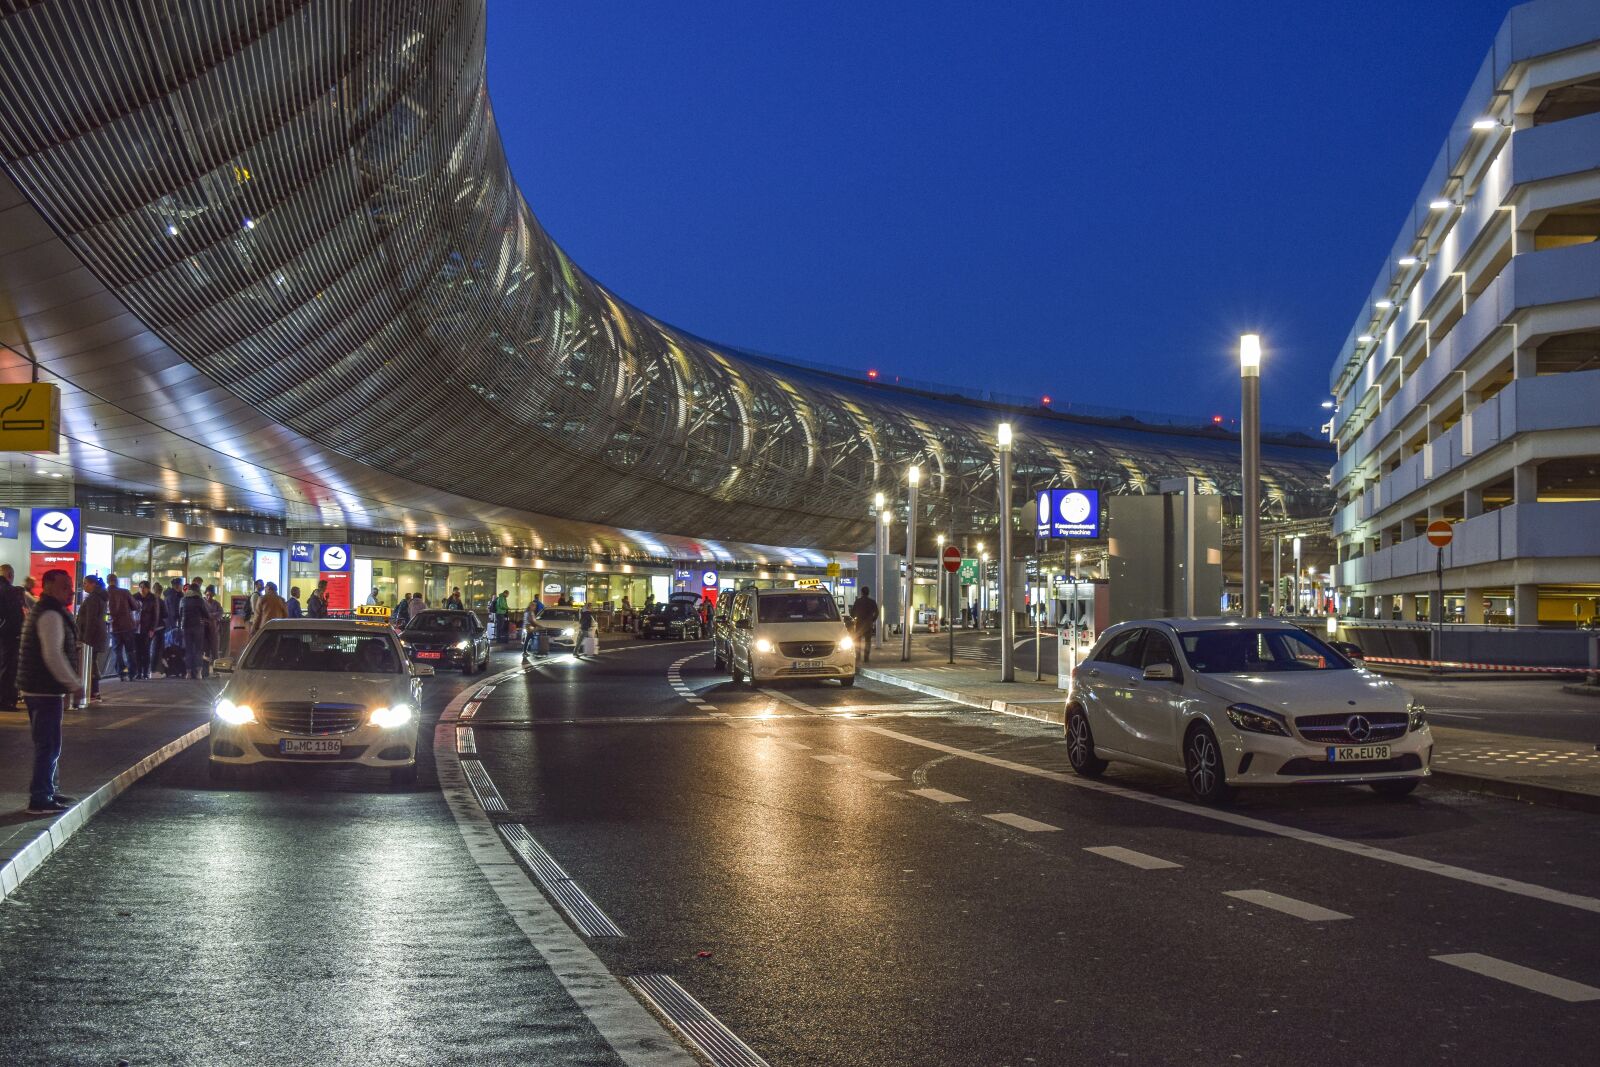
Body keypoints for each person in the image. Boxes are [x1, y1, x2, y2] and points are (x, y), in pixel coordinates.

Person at [20, 568, 85, 815]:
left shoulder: (44, 610)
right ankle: (40, 797)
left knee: (47, 743)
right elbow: (53, 654)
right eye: (64, 587)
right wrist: (74, 684)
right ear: (47, 587)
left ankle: (48, 789)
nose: (69, 591)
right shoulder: (50, 615)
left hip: (36, 687)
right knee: (48, 745)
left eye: (70, 586)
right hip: (43, 689)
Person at [77, 575, 108, 703]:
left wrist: (86, 640)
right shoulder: (100, 597)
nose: (83, 586)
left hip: (91, 637)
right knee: (92, 663)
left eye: (85, 583)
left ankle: (93, 692)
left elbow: (90, 620)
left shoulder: (93, 599)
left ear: (93, 584)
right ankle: (94, 691)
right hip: (97, 635)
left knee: (90, 664)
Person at [0, 564, 25, 710]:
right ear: (10, 575)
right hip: (9, 636)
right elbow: (15, 616)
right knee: (8, 668)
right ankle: (6, 701)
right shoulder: (10, 591)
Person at [105, 573, 136, 682]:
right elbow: (135, 606)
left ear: (107, 581)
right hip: (128, 625)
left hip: (114, 627)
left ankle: (122, 672)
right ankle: (132, 673)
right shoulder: (124, 592)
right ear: (116, 581)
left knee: (117, 651)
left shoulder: (105, 594)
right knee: (130, 650)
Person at [179, 581, 209, 679]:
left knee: (188, 650)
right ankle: (198, 673)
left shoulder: (183, 600)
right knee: (198, 650)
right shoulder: (200, 600)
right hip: (197, 627)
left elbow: (180, 614)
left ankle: (188, 673)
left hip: (186, 627)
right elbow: (205, 614)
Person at [133, 581, 159, 679]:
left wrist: (152, 628)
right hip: (136, 628)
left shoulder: (152, 598)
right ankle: (138, 672)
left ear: (148, 589)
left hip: (147, 628)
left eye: (144, 587)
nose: (142, 589)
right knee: (137, 651)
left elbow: (155, 615)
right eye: (140, 587)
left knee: (146, 651)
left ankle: (145, 672)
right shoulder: (134, 597)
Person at [850, 587, 880, 665]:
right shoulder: (872, 602)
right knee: (867, 641)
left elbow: (852, 613)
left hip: (859, 624)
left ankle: (858, 656)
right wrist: (872, 620)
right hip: (868, 624)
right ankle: (866, 657)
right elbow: (877, 612)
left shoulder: (858, 601)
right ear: (868, 592)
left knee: (857, 641)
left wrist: (855, 618)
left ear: (861, 592)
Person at [204, 586, 225, 664]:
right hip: (205, 628)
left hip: (214, 628)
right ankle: (205, 666)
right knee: (205, 648)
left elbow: (220, 613)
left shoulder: (216, 603)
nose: (209, 597)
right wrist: (212, 616)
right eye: (207, 595)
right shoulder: (202, 603)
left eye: (211, 595)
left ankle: (216, 665)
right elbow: (202, 614)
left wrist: (209, 615)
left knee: (215, 648)